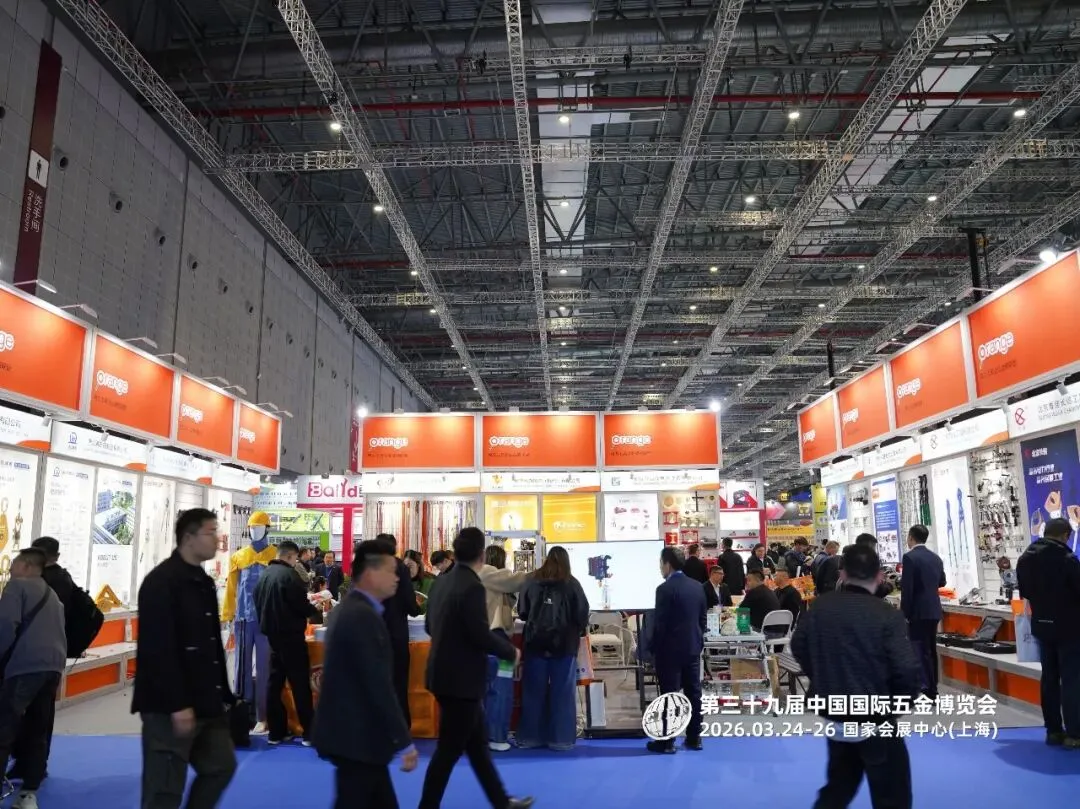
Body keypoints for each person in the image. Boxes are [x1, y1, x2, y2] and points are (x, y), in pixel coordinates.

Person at [791, 544, 921, 809]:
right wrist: (898, 703)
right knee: (892, 796)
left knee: (837, 788)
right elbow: (906, 668)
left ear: (842, 573)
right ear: (879, 576)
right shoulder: (886, 614)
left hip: (836, 712)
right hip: (877, 716)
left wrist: (824, 679)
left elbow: (798, 645)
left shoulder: (820, 607)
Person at [419, 527, 532, 809]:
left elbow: (430, 626)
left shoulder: (442, 582)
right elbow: (480, 634)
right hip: (461, 679)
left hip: (444, 674)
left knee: (477, 747)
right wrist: (510, 651)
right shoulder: (471, 586)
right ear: (482, 554)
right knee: (448, 751)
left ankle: (501, 801)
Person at [134, 508, 237, 809]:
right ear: (189, 537)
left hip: (206, 701)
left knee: (221, 766)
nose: (217, 539)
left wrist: (223, 694)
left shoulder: (202, 581)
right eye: (211, 532)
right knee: (164, 790)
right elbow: (158, 650)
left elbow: (211, 644)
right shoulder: (161, 582)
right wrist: (177, 704)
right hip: (168, 706)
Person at [312, 541, 419, 809]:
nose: (397, 577)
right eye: (390, 571)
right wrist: (404, 741)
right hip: (356, 737)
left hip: (358, 737)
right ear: (371, 574)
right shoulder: (361, 616)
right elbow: (378, 684)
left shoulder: (353, 610)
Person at [0, 549, 66, 809]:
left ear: (27, 566)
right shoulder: (52, 595)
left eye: (15, 563)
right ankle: (29, 794)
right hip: (52, 667)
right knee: (38, 729)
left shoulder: (16, 587)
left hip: (24, 666)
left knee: (4, 727)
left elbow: (6, 624)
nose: (10, 567)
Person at [517, 546, 588, 752]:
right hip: (564, 645)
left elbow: (522, 612)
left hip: (535, 644)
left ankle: (530, 738)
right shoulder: (572, 584)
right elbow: (582, 614)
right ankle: (561, 739)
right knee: (563, 693)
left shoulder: (531, 581)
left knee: (533, 692)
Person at [1016, 517, 1080, 747]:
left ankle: (1053, 730)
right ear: (1065, 535)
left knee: (1049, 677)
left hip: (1042, 624)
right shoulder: (1067, 559)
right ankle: (1074, 733)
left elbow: (1025, 592)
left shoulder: (1025, 558)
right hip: (1070, 626)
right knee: (1072, 679)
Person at [253, 540, 322, 745]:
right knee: (300, 685)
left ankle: (276, 732)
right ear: (291, 556)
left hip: (272, 638)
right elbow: (301, 605)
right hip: (292, 638)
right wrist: (314, 610)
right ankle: (309, 733)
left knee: (274, 685)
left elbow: (257, 602)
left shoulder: (264, 575)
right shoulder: (290, 576)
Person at [647, 547, 708, 754]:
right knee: (694, 693)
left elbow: (660, 624)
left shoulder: (664, 589)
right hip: (692, 648)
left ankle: (667, 741)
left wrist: (652, 649)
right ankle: (694, 738)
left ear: (667, 564)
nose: (660, 568)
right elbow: (702, 619)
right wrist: (697, 641)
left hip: (669, 650)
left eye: (660, 563)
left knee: (669, 695)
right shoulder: (697, 587)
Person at [478, 545, 528, 751]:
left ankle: (480, 736)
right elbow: (519, 580)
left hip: (481, 641)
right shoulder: (490, 574)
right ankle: (497, 737)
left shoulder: (480, 577)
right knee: (501, 689)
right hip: (498, 640)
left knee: (481, 691)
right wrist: (541, 573)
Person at [375, 533, 419, 727]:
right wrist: (415, 609)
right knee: (398, 682)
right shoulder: (399, 567)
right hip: (395, 632)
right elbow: (409, 600)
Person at [900, 524, 946, 699]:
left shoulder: (909, 557)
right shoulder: (935, 557)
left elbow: (907, 589)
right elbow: (942, 582)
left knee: (918, 649)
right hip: (934, 609)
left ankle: (926, 688)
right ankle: (933, 686)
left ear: (911, 537)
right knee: (931, 649)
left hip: (917, 611)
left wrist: (905, 613)